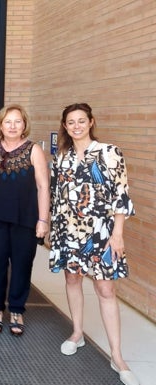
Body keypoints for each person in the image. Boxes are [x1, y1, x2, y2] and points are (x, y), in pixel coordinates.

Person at [49, 103, 139, 385]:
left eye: (81, 121)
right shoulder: (61, 157)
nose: (76, 126)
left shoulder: (110, 153)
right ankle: (77, 333)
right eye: (71, 122)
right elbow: (57, 197)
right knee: (73, 280)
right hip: (69, 231)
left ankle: (117, 355)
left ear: (91, 122)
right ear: (65, 126)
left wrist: (118, 233)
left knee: (105, 288)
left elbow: (121, 196)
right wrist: (54, 230)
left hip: (102, 232)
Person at [0, 104, 49, 336]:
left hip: (25, 218)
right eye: (8, 122)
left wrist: (43, 220)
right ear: (0, 125)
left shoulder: (33, 149)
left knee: (22, 265)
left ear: (24, 124)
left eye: (17, 121)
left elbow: (44, 187)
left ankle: (16, 310)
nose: (13, 126)